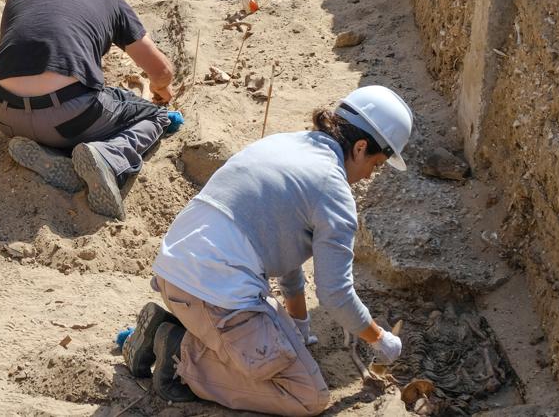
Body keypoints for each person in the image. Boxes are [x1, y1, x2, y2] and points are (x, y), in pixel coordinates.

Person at [121, 85, 414, 415]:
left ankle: (172, 331)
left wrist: (300, 322)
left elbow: (284, 247)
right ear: (360, 147)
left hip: (175, 276)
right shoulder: (334, 191)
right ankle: (179, 355)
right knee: (307, 396)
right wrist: (379, 339)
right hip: (214, 294)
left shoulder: (283, 144)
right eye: (374, 165)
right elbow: (336, 294)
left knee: (283, 346)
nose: (367, 176)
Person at [0, 0, 178, 220]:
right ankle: (110, 159)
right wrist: (161, 92)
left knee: (72, 102)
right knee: (155, 116)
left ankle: (55, 156)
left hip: (2, 113)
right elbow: (161, 71)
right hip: (69, 118)